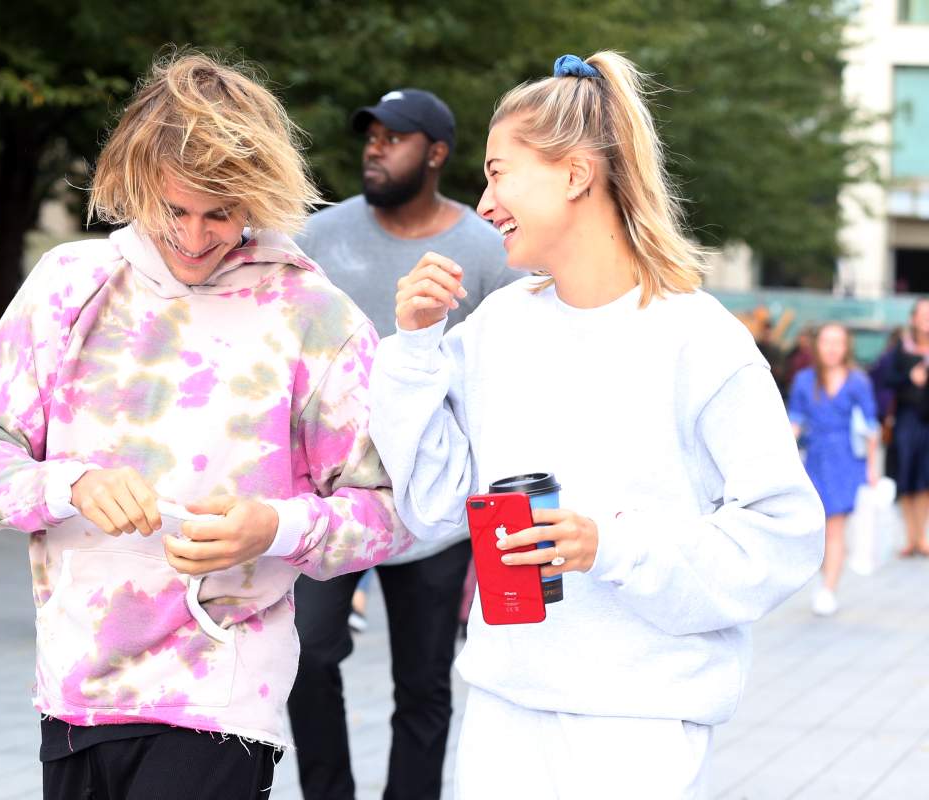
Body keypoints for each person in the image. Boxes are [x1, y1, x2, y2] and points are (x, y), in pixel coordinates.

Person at [0, 51, 410, 800]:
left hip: (223, 692)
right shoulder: (69, 286)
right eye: (175, 212)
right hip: (77, 688)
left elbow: (390, 511)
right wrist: (71, 484)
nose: (196, 238)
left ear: (258, 197)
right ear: (136, 188)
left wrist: (276, 527)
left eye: (221, 214)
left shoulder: (312, 315)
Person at [368, 52, 824, 797]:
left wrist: (612, 547)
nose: (482, 203)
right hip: (502, 710)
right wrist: (415, 347)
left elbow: (785, 531)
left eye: (499, 172)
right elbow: (433, 504)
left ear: (576, 175)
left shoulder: (698, 339)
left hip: (639, 724)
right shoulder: (495, 329)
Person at [288, 86, 518, 800]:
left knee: (424, 684)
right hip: (334, 503)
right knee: (306, 655)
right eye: (372, 136)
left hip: (436, 513)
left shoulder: (486, 250)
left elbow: (504, 386)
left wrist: (493, 527)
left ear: (438, 154)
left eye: (396, 138)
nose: (376, 148)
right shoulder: (319, 236)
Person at [788, 323, 879, 616]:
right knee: (816, 527)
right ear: (817, 345)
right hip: (815, 458)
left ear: (846, 347)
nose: (831, 348)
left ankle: (828, 588)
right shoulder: (804, 380)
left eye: (837, 342)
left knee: (835, 526)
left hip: (846, 459)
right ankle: (825, 576)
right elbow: (794, 421)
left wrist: (873, 470)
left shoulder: (858, 381)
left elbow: (870, 428)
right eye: (826, 341)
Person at [880, 299, 929, 557]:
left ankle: (922, 536)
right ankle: (911, 537)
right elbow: (885, 379)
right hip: (907, 422)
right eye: (923, 314)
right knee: (907, 479)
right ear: (913, 318)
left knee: (925, 481)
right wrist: (910, 378)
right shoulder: (901, 349)